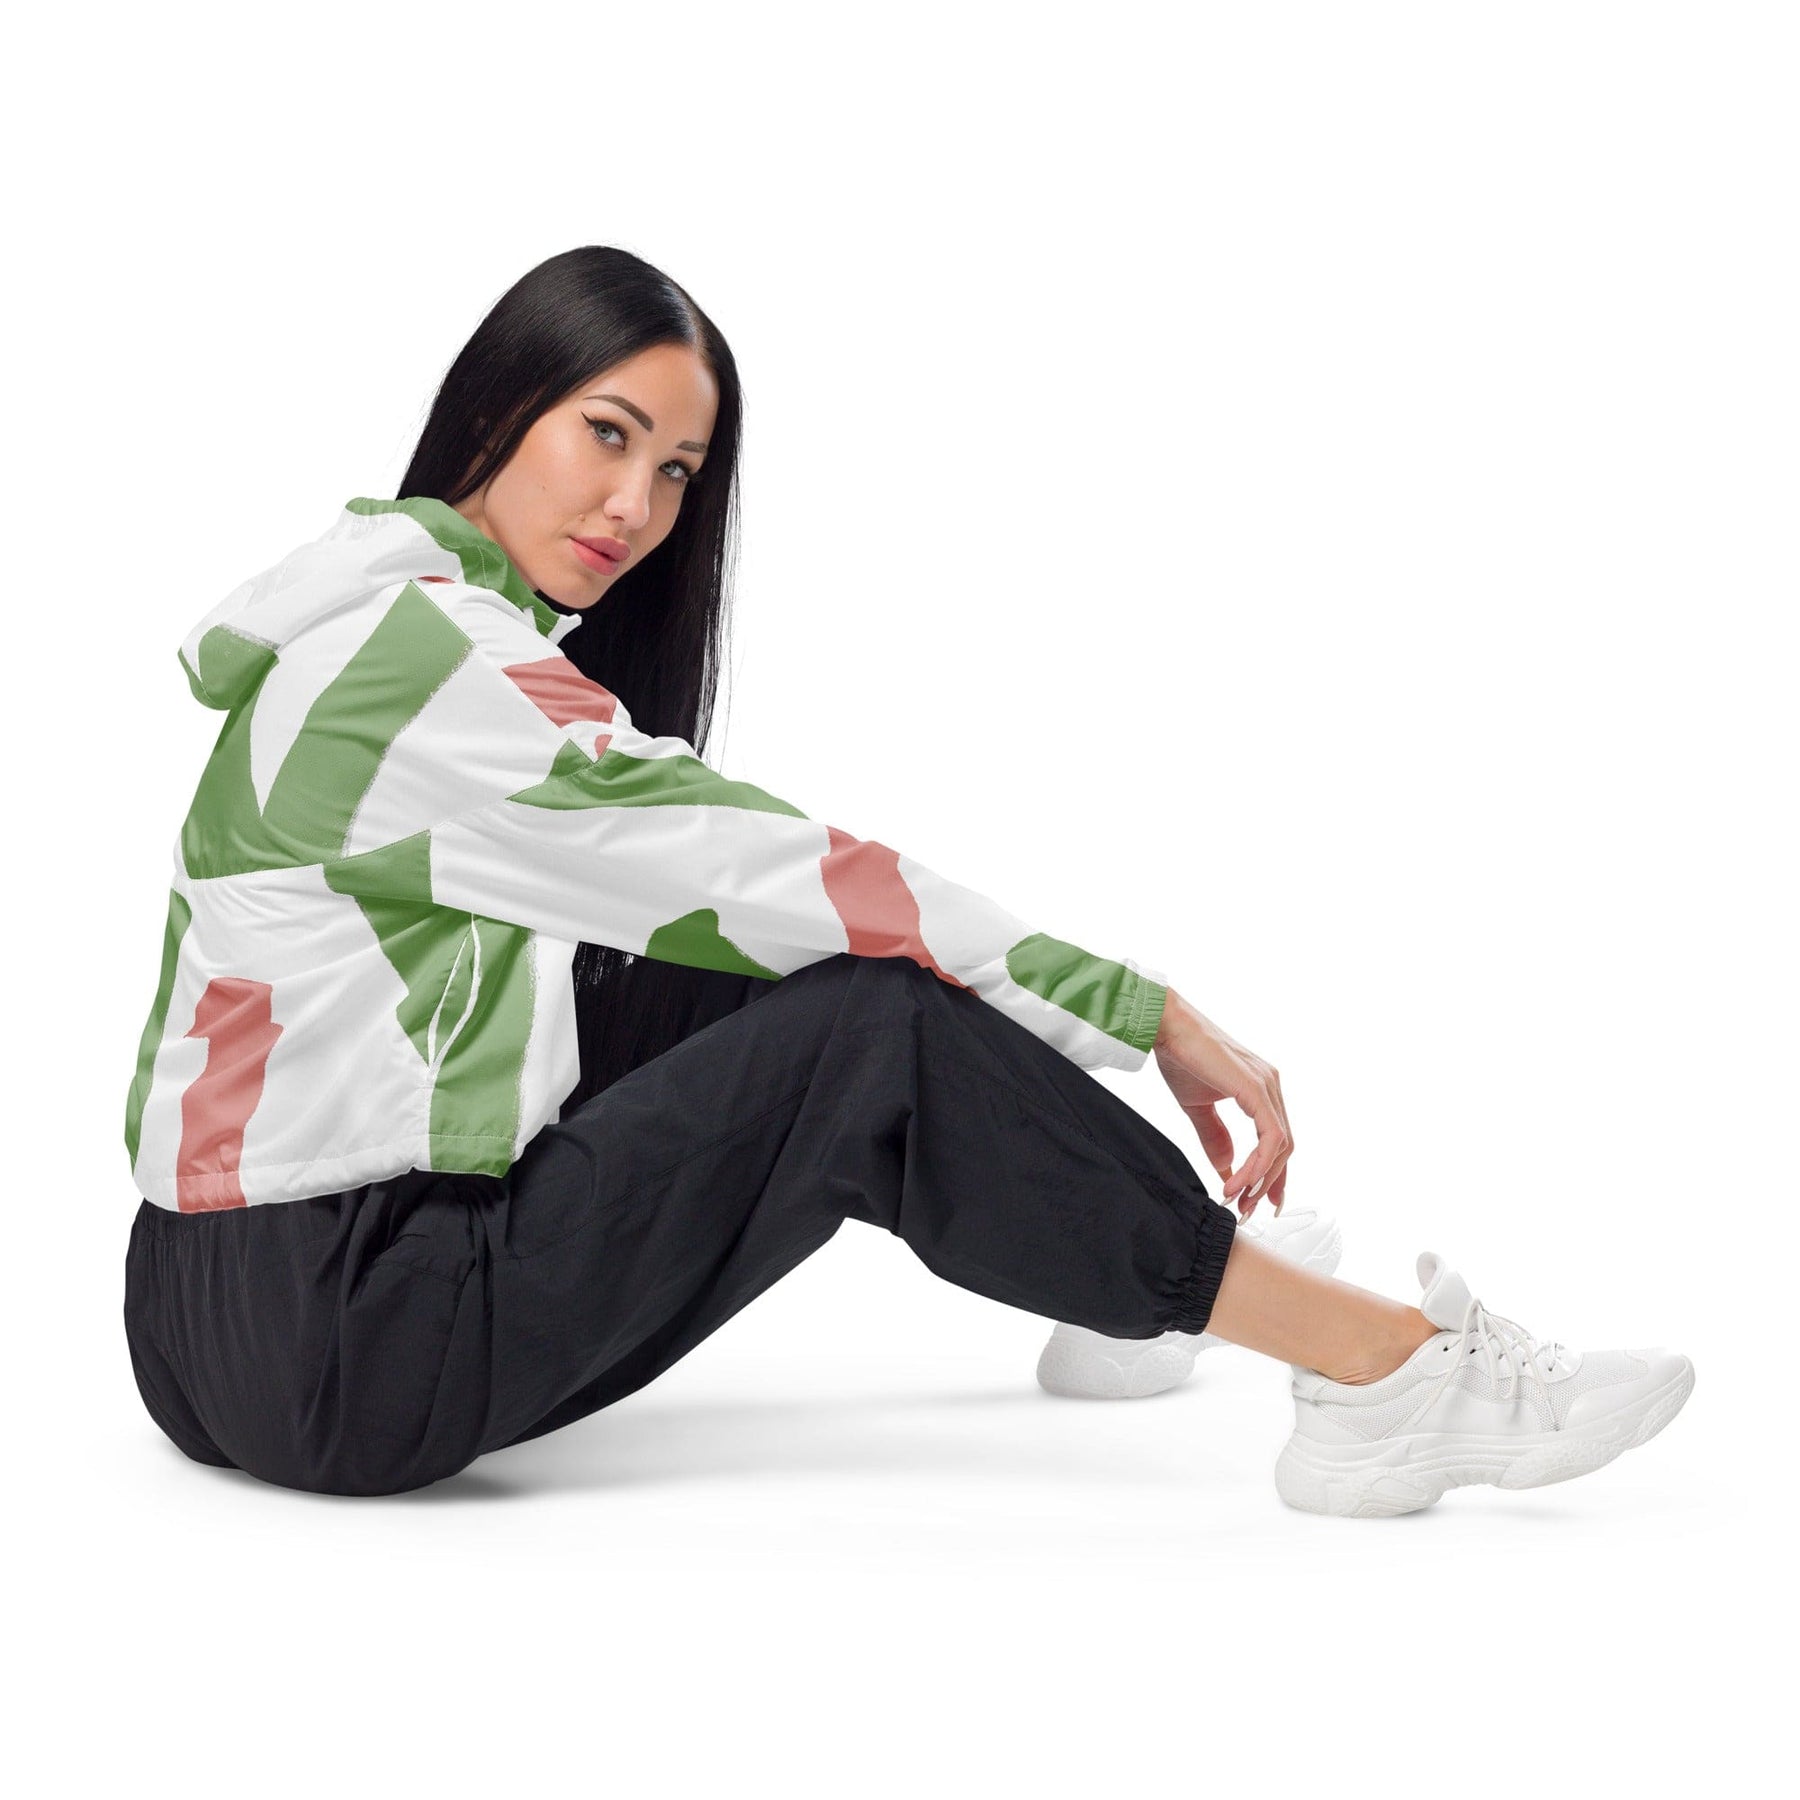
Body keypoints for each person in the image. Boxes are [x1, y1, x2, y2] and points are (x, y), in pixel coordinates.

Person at [120, 245, 1694, 1515]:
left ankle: (1112, 1276)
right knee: (868, 1019)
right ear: (498, 409)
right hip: (352, 1347)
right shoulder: (449, 680)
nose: (637, 509)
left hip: (191, 1321)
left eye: (678, 471)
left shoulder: (362, 621)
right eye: (607, 433)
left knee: (764, 964)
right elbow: (778, 870)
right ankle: (1387, 1377)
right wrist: (1145, 1011)